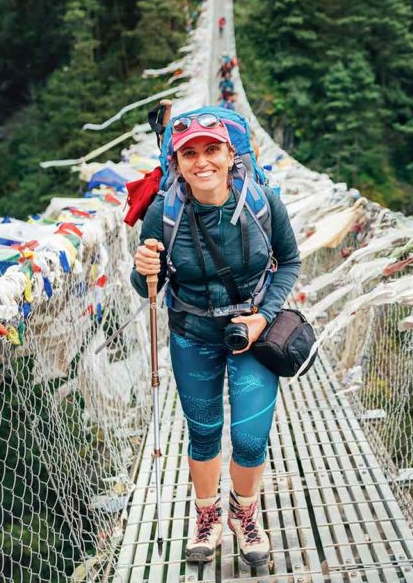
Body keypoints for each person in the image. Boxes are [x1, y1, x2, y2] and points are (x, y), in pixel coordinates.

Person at [131, 110, 301, 566]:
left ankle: (244, 516)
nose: (201, 161)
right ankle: (206, 518)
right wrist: (143, 270)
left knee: (250, 438)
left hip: (249, 333)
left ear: (231, 155)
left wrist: (263, 317)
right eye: (190, 153)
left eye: (212, 150)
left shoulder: (264, 203)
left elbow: (289, 263)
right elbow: (148, 284)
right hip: (192, 333)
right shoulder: (161, 214)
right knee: (203, 433)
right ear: (177, 162)